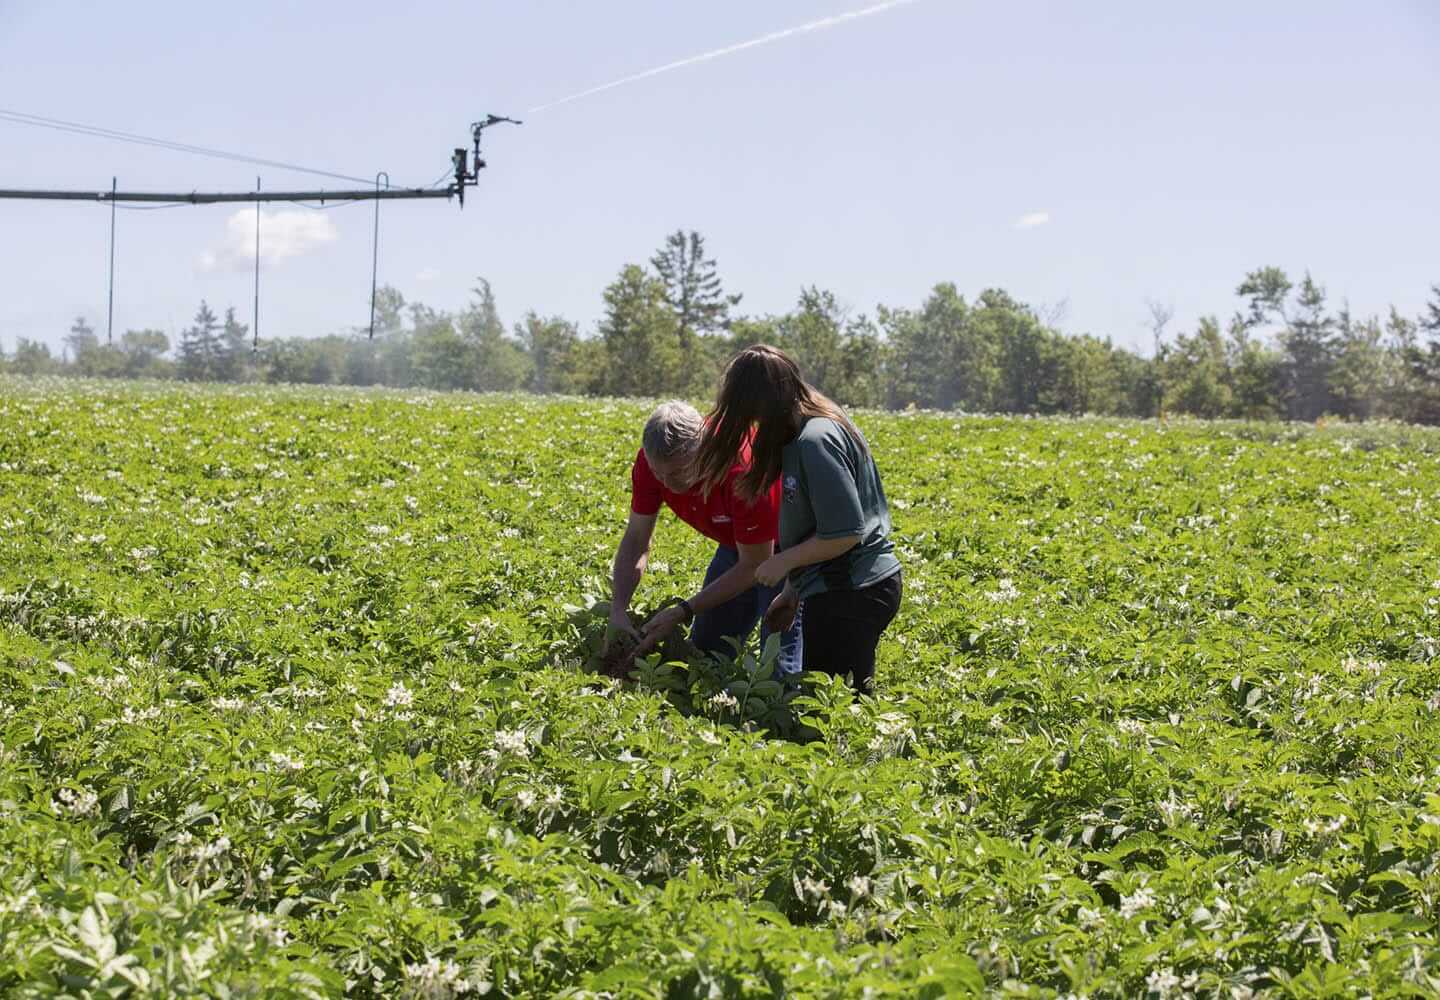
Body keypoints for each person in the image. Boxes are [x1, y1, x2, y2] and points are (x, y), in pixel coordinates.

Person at [692, 345, 901, 695]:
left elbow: (846, 532)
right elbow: (816, 526)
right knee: (833, 703)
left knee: (831, 710)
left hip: (853, 593)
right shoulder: (805, 433)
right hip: (841, 590)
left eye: (750, 416)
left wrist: (783, 562)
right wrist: (793, 590)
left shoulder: (814, 441)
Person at [608, 400, 801, 672]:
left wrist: (683, 611)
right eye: (657, 472)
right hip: (739, 546)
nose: (666, 482)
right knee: (704, 653)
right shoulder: (653, 463)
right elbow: (637, 538)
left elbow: (756, 563)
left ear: (704, 450)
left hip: (791, 551)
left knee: (780, 665)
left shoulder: (740, 472)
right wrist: (618, 608)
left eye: (677, 472)